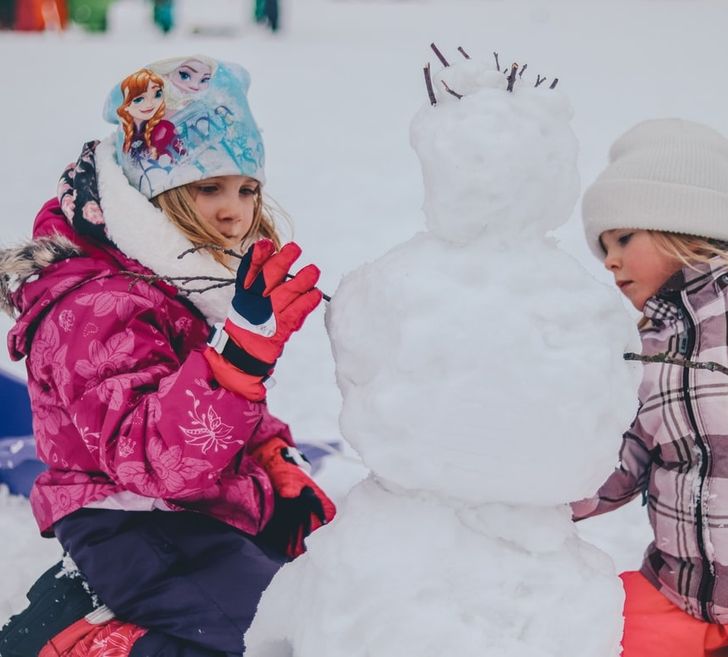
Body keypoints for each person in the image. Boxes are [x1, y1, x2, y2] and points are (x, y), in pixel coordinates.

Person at [0, 55, 335, 657]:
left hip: (205, 502)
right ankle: (93, 641)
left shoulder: (183, 278)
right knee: (272, 641)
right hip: (132, 522)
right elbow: (147, 461)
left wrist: (271, 452)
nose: (235, 210)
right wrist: (239, 361)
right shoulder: (95, 306)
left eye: (247, 188)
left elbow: (215, 404)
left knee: (327, 594)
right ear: (155, 191)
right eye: (209, 187)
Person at [573, 118, 728, 657]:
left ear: (681, 225)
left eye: (622, 238)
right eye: (603, 247)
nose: (610, 260)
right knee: (576, 629)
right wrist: (539, 490)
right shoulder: (645, 351)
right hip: (678, 593)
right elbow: (626, 464)